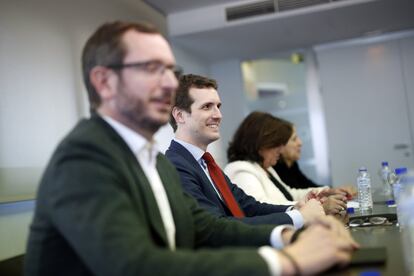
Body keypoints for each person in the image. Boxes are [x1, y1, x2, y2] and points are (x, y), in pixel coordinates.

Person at [24, 21, 358, 276]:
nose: (170, 83)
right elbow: (135, 266)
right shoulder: (84, 158)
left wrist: (287, 236)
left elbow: (206, 226)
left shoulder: (152, 158)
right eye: (152, 69)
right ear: (104, 82)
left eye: (171, 71)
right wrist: (283, 261)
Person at [166, 74, 329, 229]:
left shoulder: (206, 163)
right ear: (180, 115)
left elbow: (247, 206)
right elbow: (215, 226)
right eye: (207, 107)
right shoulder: (175, 166)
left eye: (218, 106)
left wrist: (296, 208)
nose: (218, 115)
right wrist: (299, 217)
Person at [224, 111, 347, 215]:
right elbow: (260, 209)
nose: (281, 149)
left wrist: (322, 192)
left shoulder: (265, 168)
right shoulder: (241, 170)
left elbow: (289, 194)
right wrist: (318, 206)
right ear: (260, 143)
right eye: (277, 144)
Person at [273, 121, 357, 196]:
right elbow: (292, 196)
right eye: (294, 139)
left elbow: (309, 186)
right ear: (280, 145)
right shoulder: (275, 168)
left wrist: (334, 190)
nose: (300, 143)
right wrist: (331, 192)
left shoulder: (292, 165)